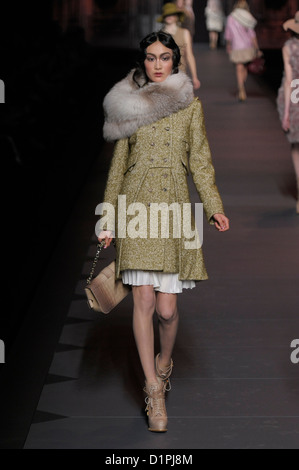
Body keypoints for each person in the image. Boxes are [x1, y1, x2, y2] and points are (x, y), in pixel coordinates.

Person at [98, 31, 229, 433]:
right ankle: (153, 390)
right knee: (144, 302)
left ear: (176, 62)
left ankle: (164, 363)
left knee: (168, 309)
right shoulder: (131, 107)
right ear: (144, 63)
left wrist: (213, 206)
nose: (158, 64)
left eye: (165, 57)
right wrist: (107, 217)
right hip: (136, 207)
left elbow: (200, 160)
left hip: (172, 208)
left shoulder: (190, 107)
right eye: (151, 58)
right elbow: (119, 165)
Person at [277, 11, 299, 214]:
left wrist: (285, 114)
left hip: (294, 99)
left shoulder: (289, 47)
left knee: (295, 146)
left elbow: (289, 80)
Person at [157, 2, 201, 90]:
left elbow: (189, 55)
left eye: (172, 14)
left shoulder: (184, 33)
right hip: (163, 76)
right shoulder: (159, 35)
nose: (169, 16)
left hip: (180, 74)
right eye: (167, 14)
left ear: (177, 16)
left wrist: (194, 77)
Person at [224, 0, 262, 101]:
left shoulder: (231, 17)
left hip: (236, 46)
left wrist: (228, 45)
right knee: (244, 67)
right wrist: (256, 48)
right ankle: (242, 86)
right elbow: (252, 35)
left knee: (238, 68)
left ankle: (241, 89)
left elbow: (228, 33)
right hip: (247, 46)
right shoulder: (248, 17)